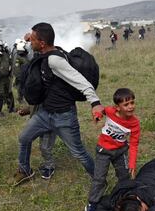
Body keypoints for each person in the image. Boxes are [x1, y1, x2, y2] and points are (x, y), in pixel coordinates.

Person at [13, 22, 104, 186]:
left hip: (64, 116)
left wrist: (95, 103)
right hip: (45, 114)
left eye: (32, 39)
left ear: (41, 43)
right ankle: (25, 171)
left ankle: (99, 180)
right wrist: (28, 38)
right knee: (24, 138)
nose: (29, 42)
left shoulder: (55, 60)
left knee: (79, 153)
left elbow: (81, 81)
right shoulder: (45, 52)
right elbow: (34, 48)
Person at [85, 88, 140, 211]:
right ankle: (92, 204)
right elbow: (102, 110)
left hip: (120, 152)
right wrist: (98, 114)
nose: (130, 106)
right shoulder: (111, 111)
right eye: (126, 104)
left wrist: (132, 164)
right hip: (103, 150)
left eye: (132, 103)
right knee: (99, 178)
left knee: (125, 176)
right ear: (117, 107)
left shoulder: (135, 123)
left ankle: (122, 199)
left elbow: (134, 144)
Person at [0, 40, 14, 116]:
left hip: (6, 77)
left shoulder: (6, 54)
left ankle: (11, 108)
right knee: (0, 94)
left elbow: (10, 62)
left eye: (0, 47)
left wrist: (10, 70)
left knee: (9, 92)